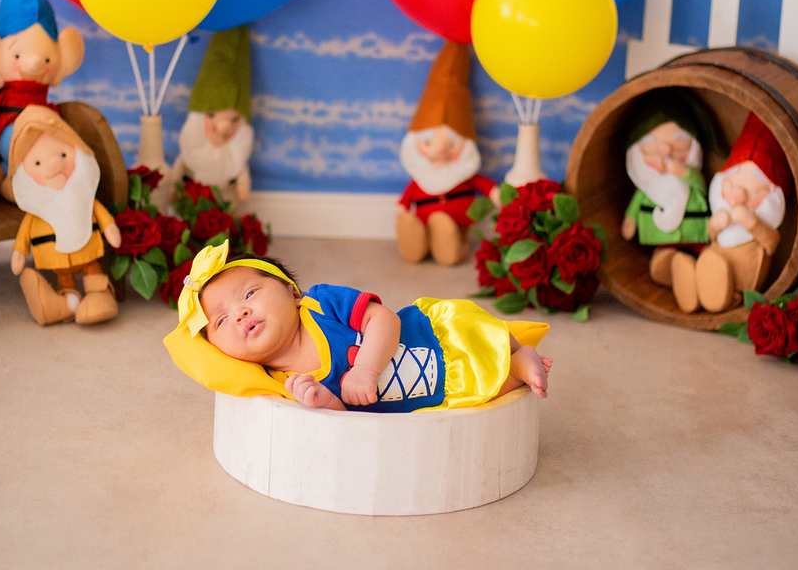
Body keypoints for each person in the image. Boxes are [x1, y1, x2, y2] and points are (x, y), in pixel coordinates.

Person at [163, 242, 551, 412]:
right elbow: (348, 417)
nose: (241, 314)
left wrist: (365, 368)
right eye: (222, 320)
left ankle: (517, 353)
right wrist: (322, 401)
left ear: (292, 291)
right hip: (429, 394)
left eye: (249, 293)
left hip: (428, 336)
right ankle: (516, 368)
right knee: (484, 392)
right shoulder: (279, 384)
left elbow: (383, 317)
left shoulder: (320, 304)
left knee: (475, 329)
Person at [0, 0, 85, 202]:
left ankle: (22, 180)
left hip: (43, 139)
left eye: (47, 59)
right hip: (11, 134)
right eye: (17, 56)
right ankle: (7, 179)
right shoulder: (4, 97)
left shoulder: (48, 107)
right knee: (32, 146)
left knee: (50, 145)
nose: (35, 63)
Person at [8, 105, 121, 326]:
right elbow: (24, 235)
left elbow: (100, 213)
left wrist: (110, 228)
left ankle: (99, 296)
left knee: (93, 271)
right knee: (66, 281)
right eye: (37, 163)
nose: (55, 165)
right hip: (59, 260)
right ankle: (65, 305)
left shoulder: (84, 196)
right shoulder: (37, 210)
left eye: (63, 155)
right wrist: (19, 253)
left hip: (88, 255)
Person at [672, 113, 790, 313]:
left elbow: (771, 242)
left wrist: (751, 222)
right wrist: (716, 223)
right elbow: (710, 233)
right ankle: (692, 285)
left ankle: (719, 296)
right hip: (712, 264)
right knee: (710, 266)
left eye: (754, 191)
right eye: (731, 184)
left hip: (741, 281)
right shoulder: (723, 210)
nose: (738, 194)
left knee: (717, 274)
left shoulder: (759, 220)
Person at [396, 41, 500, 266]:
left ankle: (451, 244)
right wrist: (402, 210)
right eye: (428, 142)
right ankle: (415, 239)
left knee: (447, 230)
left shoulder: (464, 174)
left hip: (458, 225)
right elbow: (405, 200)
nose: (440, 150)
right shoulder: (420, 177)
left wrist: (500, 198)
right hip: (424, 219)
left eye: (451, 145)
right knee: (417, 223)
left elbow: (488, 187)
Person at [621, 90, 718, 289]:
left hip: (697, 236)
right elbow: (636, 204)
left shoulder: (690, 177)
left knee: (710, 257)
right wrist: (630, 221)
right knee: (665, 259)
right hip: (663, 241)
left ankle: (710, 275)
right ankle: (675, 272)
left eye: (680, 144)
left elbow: (701, 187)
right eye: (650, 146)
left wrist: (685, 173)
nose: (665, 151)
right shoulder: (648, 187)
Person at [170, 25, 254, 205]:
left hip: (224, 198)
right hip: (193, 197)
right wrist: (173, 186)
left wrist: (243, 187)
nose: (224, 127)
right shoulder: (192, 153)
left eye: (234, 120)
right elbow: (178, 171)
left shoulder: (234, 159)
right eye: (211, 116)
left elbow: (241, 172)